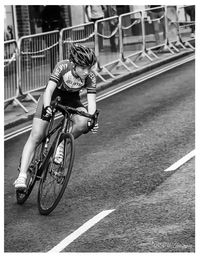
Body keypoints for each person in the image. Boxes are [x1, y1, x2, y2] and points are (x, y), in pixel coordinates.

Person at [14, 43, 99, 189]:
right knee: (37, 135)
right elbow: (49, 90)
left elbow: (91, 102)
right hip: (52, 97)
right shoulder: (62, 66)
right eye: (83, 68)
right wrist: (47, 107)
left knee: (84, 123)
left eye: (89, 68)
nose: (86, 72)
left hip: (72, 99)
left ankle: (61, 143)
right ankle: (22, 176)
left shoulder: (90, 76)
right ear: (73, 64)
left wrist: (91, 119)